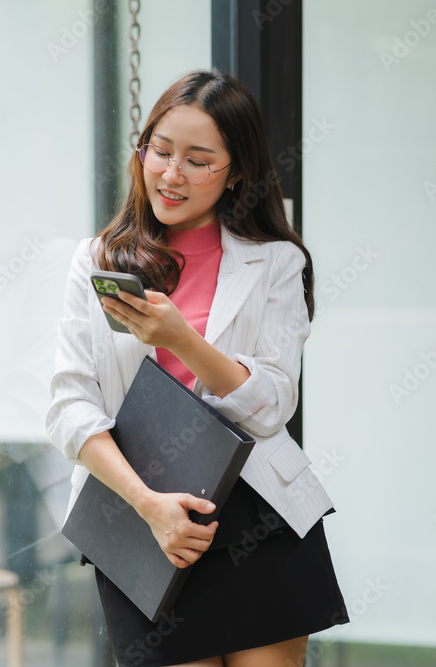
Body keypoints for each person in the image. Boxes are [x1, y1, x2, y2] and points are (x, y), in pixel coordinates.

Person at [46, 68, 348, 667]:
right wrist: (147, 503)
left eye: (198, 159)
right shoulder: (97, 260)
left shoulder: (275, 263)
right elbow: (69, 408)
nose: (170, 173)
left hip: (259, 512)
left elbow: (272, 406)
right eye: (160, 151)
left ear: (235, 171)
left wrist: (182, 341)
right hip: (143, 519)